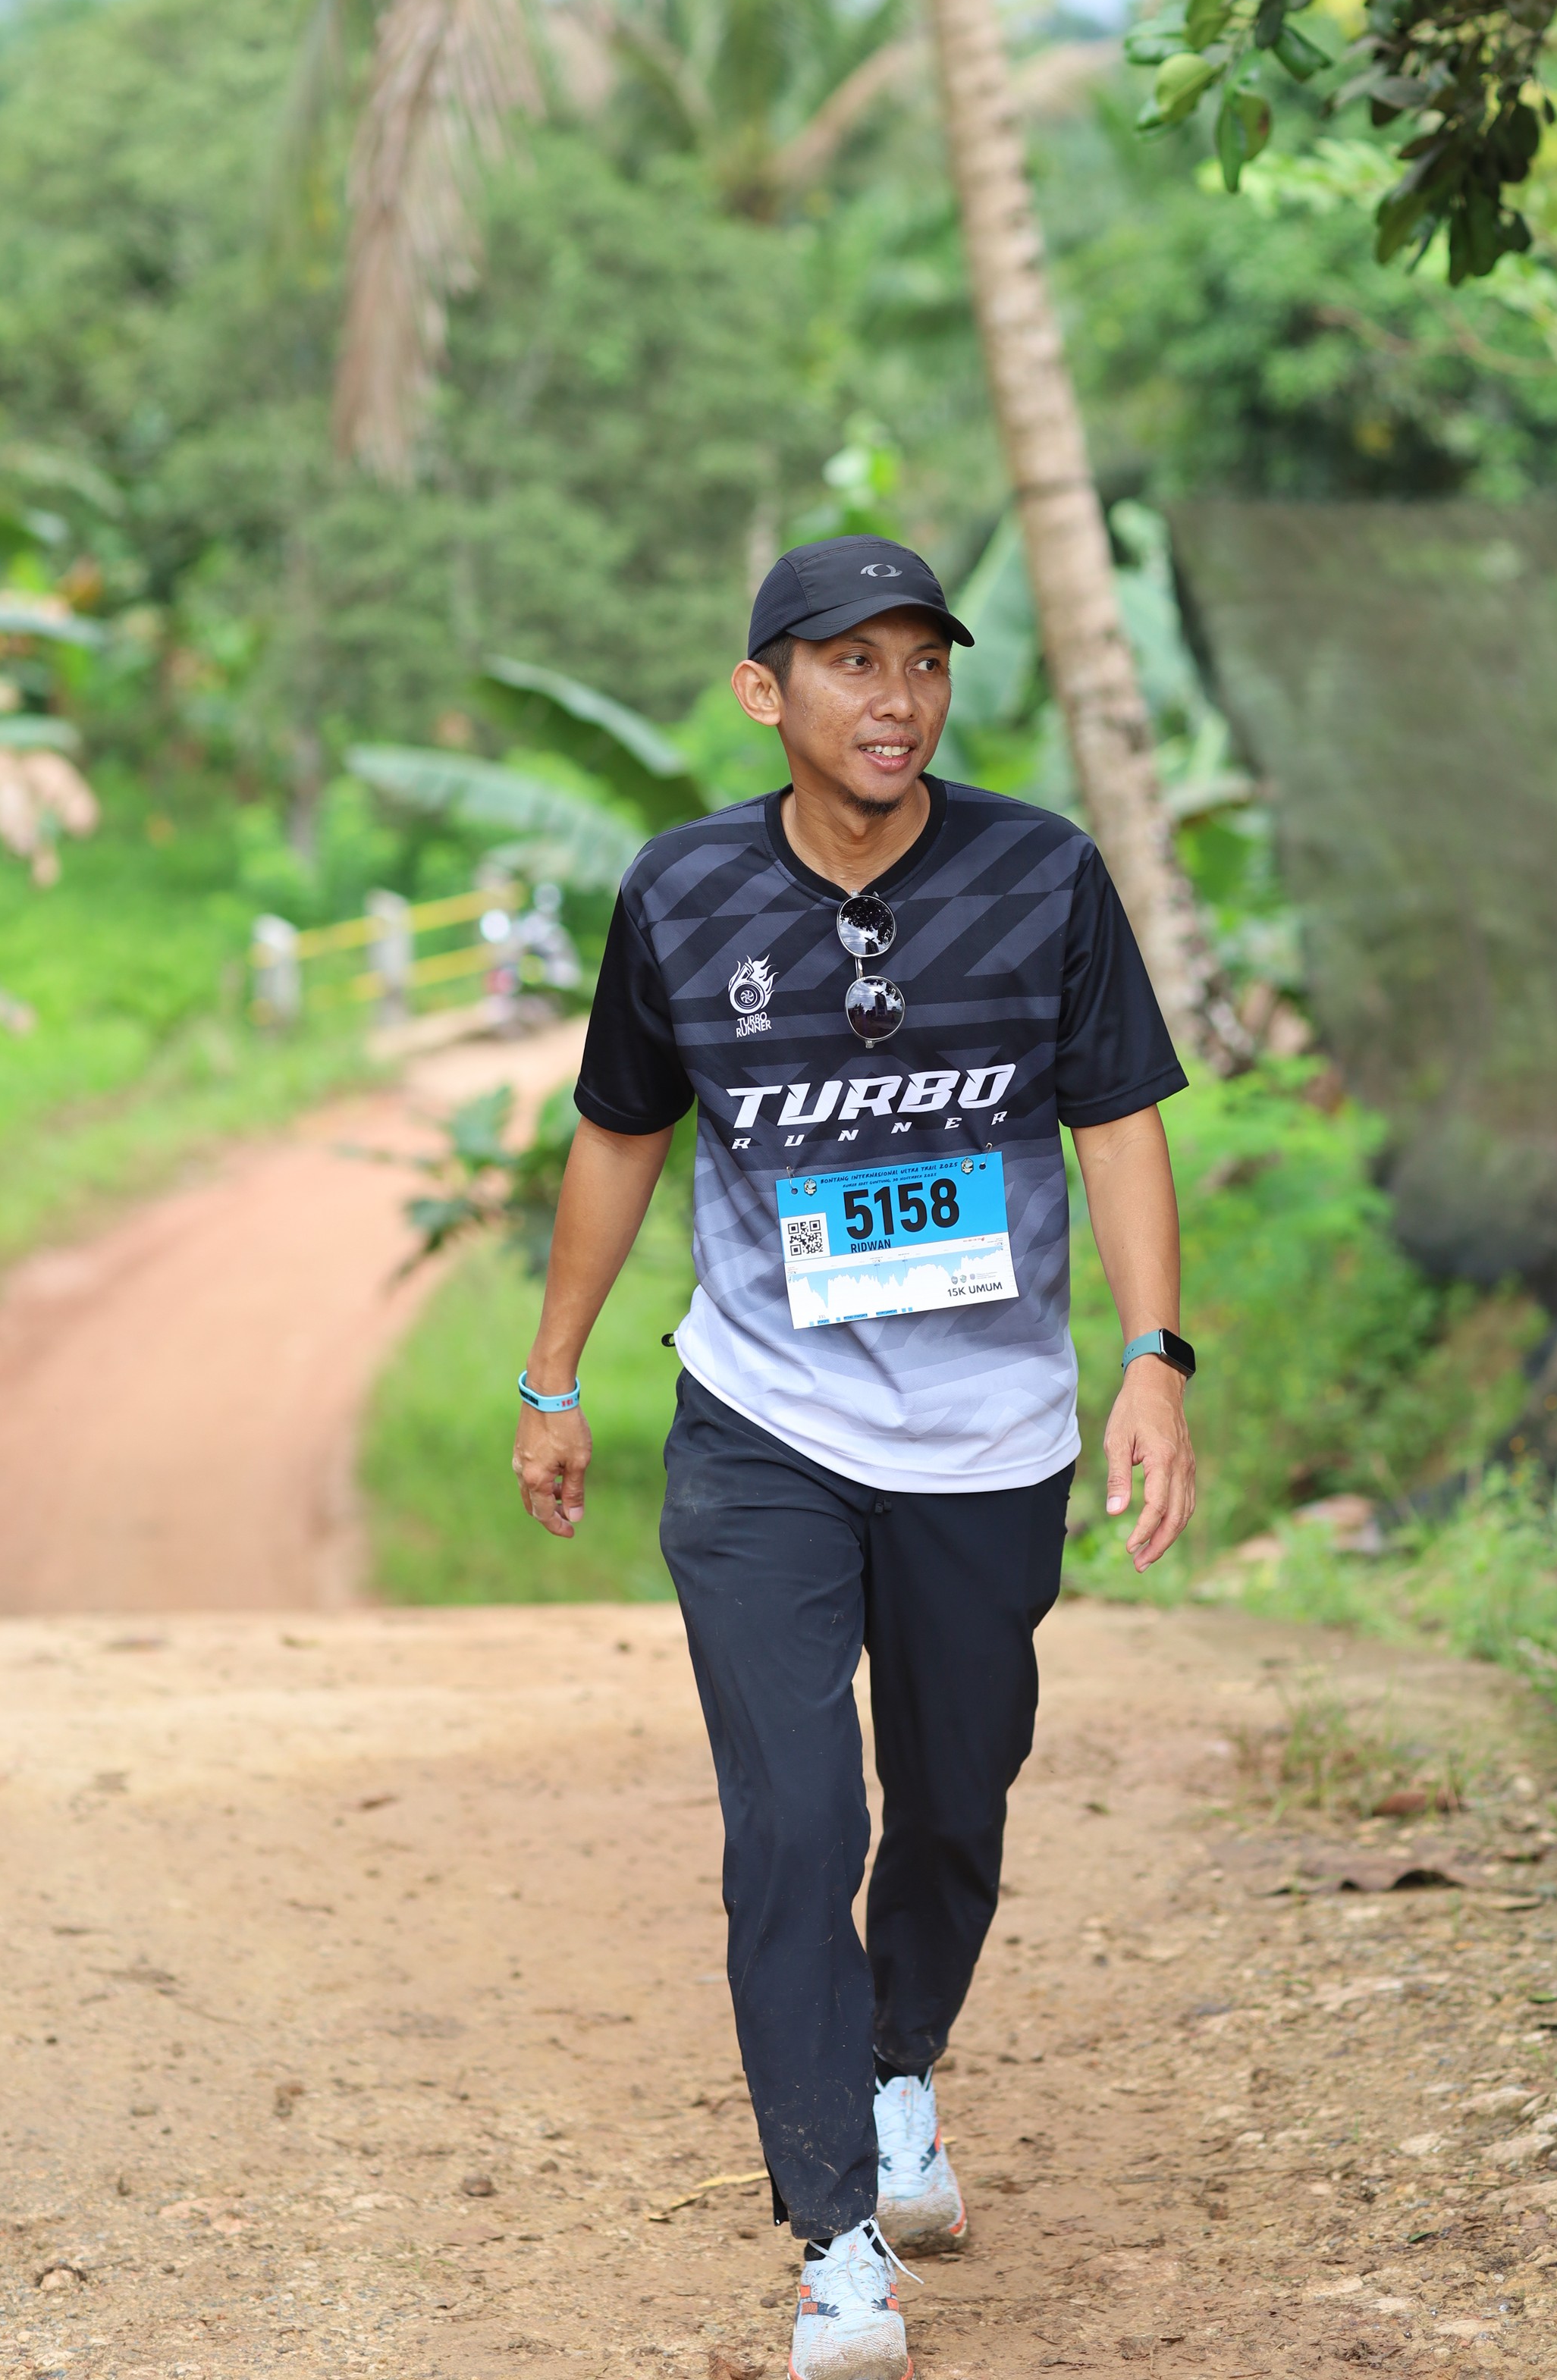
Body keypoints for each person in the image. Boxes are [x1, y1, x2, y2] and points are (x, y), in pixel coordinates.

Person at [513, 535, 1198, 2380]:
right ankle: (835, 2243)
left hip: (989, 1437)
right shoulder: (685, 895)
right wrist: (553, 1376)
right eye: (853, 663)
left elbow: (1120, 1122)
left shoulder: (1042, 877)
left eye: (924, 663)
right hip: (765, 1424)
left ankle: (900, 2067)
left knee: (956, 1801)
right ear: (767, 691)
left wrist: (1154, 1358)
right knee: (796, 1822)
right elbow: (619, 1135)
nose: (897, 700)